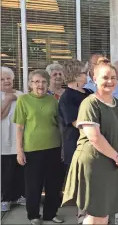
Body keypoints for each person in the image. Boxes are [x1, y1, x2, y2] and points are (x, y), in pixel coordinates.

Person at [62, 58, 118, 225]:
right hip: (94, 164)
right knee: (95, 216)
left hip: (112, 163)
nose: (110, 81)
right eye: (105, 77)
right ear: (94, 79)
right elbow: (94, 137)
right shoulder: (90, 103)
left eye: (113, 77)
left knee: (105, 213)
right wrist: (117, 157)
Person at [13, 69, 63, 225]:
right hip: (32, 150)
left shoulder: (53, 100)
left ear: (47, 84)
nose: (39, 85)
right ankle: (33, 215)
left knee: (53, 184)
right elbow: (20, 127)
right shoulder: (23, 100)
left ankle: (50, 214)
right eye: (36, 81)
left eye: (43, 82)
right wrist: (19, 150)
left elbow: (59, 124)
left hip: (54, 147)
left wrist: (63, 148)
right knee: (33, 185)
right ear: (30, 84)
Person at [58, 60, 93, 224]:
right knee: (82, 182)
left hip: (94, 144)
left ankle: (95, 215)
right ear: (76, 76)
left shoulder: (89, 92)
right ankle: (83, 217)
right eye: (84, 73)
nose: (87, 75)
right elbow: (75, 122)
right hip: (77, 145)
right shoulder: (66, 98)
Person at [1, 67, 26, 212]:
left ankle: (19, 196)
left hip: (18, 138)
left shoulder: (21, 94)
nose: (6, 81)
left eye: (8, 78)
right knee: (5, 170)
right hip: (3, 139)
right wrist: (8, 100)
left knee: (19, 169)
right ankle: (5, 198)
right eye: (2, 79)